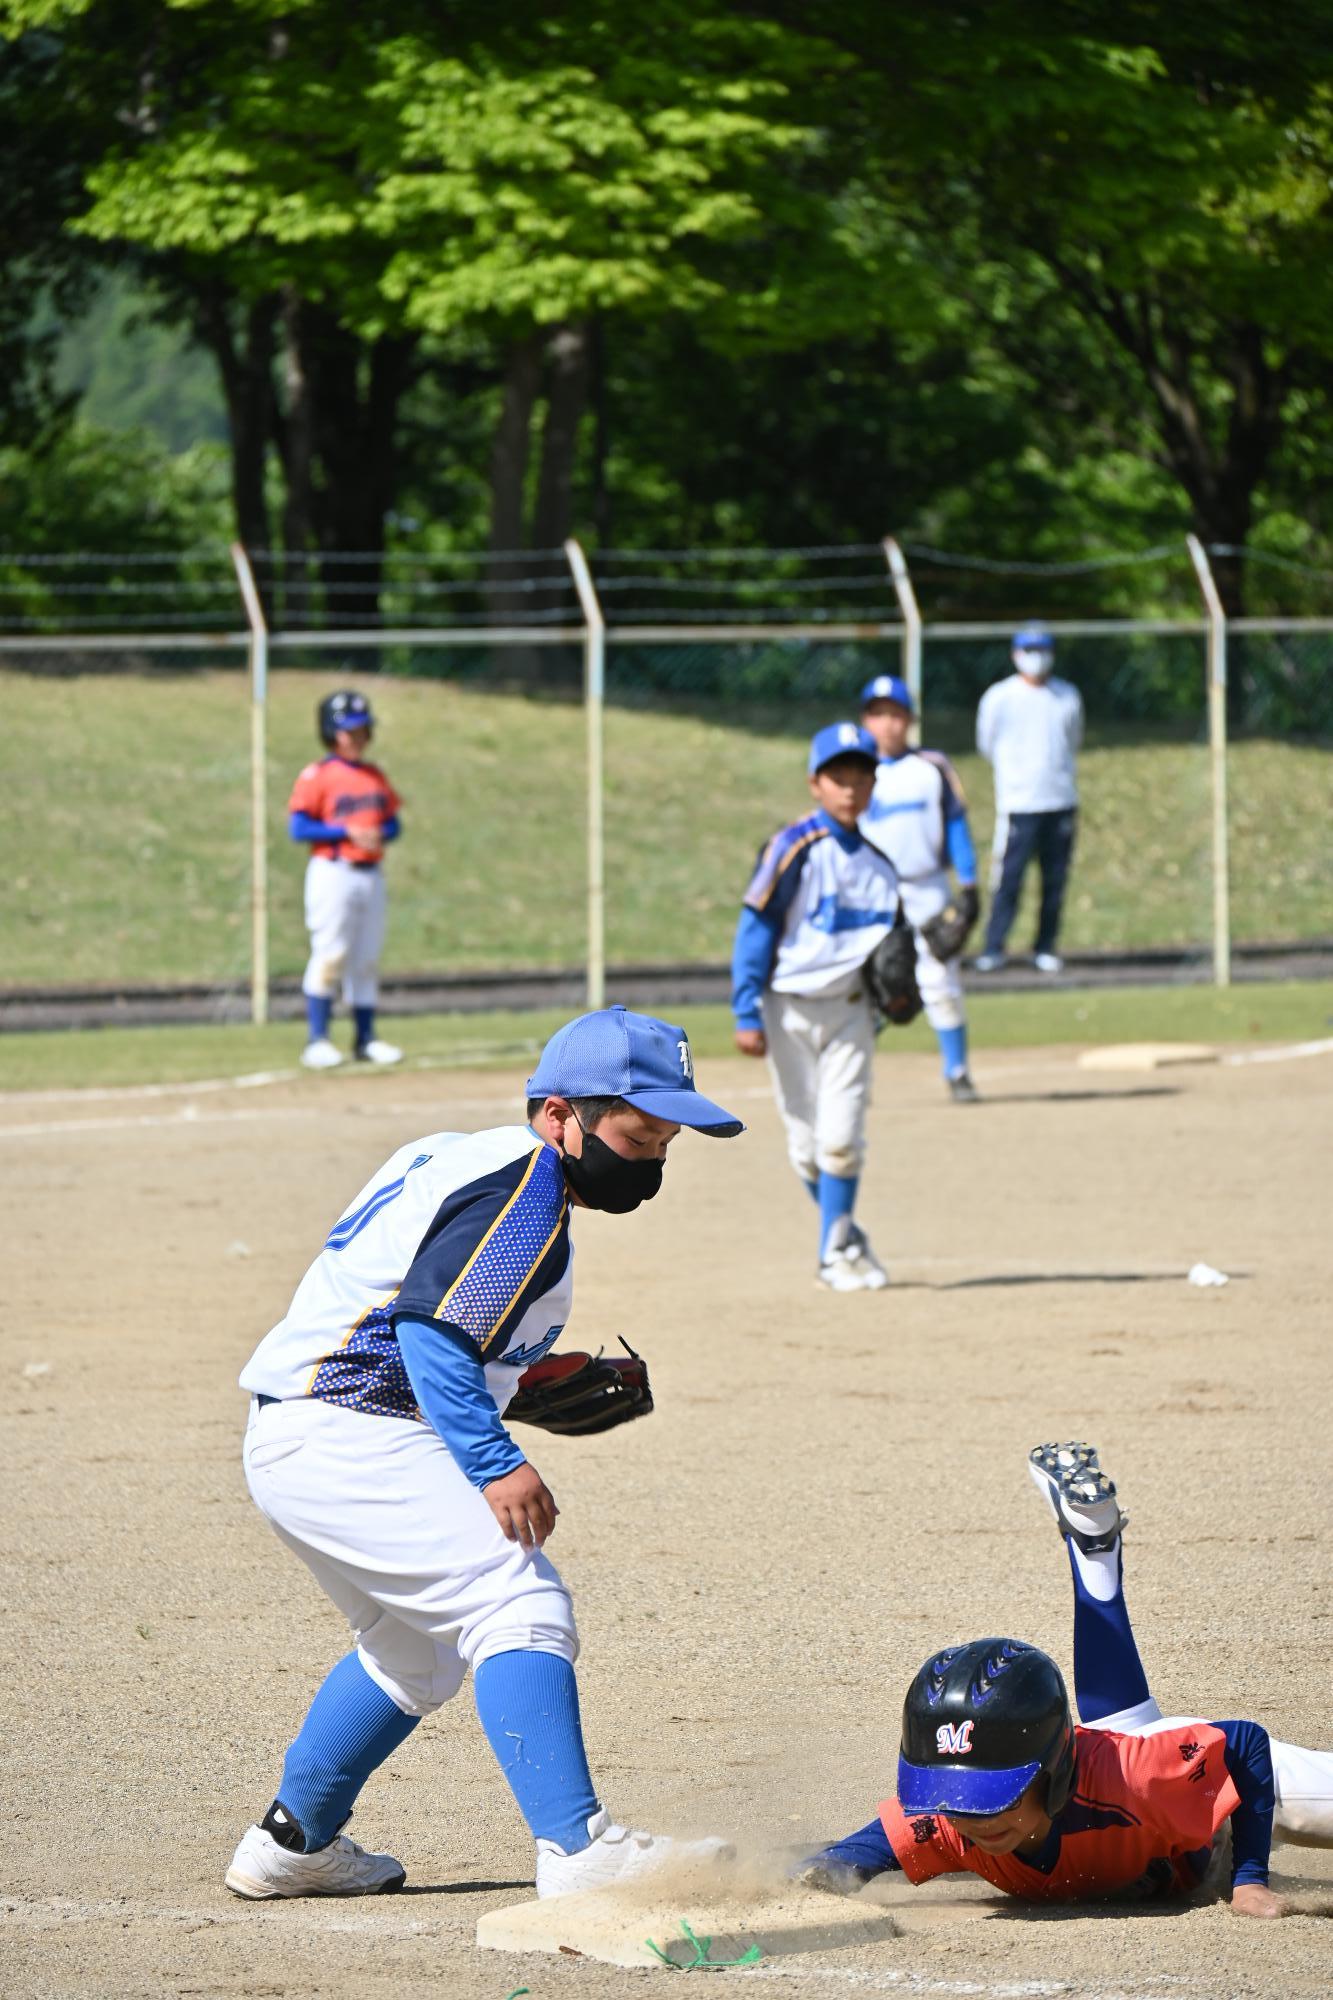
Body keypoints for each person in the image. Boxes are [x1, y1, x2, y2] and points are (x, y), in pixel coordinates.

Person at [225, 1005, 745, 1901]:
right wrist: (492, 1456)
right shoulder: (527, 1188)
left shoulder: (462, 1155)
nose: (653, 1155)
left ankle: (292, 1843)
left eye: (667, 1137)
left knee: (414, 1652)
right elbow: (428, 1333)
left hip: (305, 1435)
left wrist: (526, 1383)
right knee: (518, 1604)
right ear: (559, 1114)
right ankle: (582, 1852)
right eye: (636, 1130)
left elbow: (404, 1311)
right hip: (353, 1434)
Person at [801, 1442, 1332, 1914]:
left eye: (994, 1796)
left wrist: (1250, 1879)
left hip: (1214, 1798)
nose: (975, 1819)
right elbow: (837, 1865)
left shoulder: (1140, 1776)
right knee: (1123, 1727)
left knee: (1152, 1754)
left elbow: (1243, 1745)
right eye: (957, 1798)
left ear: (1053, 1777)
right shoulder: (949, 1809)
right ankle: (1093, 1547)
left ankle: (1095, 1552)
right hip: (1116, 1769)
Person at [731, 721, 900, 1293]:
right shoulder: (794, 847)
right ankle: (848, 1236)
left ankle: (832, 1255)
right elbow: (755, 927)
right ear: (815, 784)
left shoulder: (881, 867)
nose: (850, 788)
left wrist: (901, 986)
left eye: (862, 777)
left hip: (851, 1012)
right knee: (806, 1148)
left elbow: (891, 952)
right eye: (838, 777)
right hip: (787, 1010)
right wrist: (745, 1010)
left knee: (841, 1139)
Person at [859, 673, 981, 1104]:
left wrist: (969, 887)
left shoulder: (931, 767)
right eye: (878, 714)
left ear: (909, 719)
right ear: (866, 720)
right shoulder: (853, 769)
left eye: (896, 714)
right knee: (870, 985)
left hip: (927, 888)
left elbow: (956, 826)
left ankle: (958, 1071)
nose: (888, 724)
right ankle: (854, 1079)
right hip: (873, 893)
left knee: (940, 981)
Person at [288, 688, 403, 1070]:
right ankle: (317, 1040)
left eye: (361, 730)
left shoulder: (373, 776)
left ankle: (365, 1039)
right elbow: (299, 826)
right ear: (330, 733)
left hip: (370, 874)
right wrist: (345, 833)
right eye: (347, 731)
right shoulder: (317, 775)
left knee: (366, 958)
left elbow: (392, 820)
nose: (356, 738)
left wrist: (379, 833)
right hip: (332, 872)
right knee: (331, 952)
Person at [974, 627, 1083, 974]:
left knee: (1054, 881)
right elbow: (985, 744)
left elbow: (1073, 739)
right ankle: (994, 946)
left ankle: (1045, 946)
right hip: (1019, 803)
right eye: (1029, 649)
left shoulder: (1067, 695)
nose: (1036, 656)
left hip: (1060, 800)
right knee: (1008, 880)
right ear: (1015, 654)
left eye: (1042, 648)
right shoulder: (999, 697)